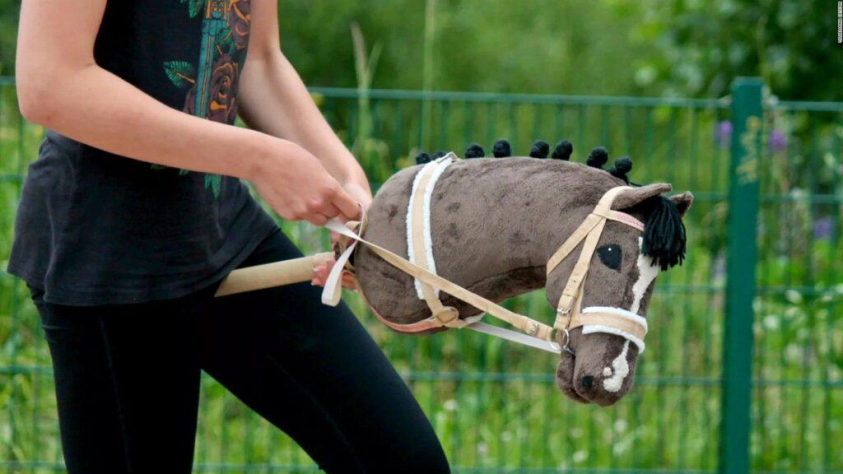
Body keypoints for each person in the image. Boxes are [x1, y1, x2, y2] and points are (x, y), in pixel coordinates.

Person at [10, 0, 450, 472]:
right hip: (108, 257)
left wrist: (349, 186)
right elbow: (49, 83)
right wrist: (259, 159)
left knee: (404, 461)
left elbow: (258, 59)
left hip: (222, 233)